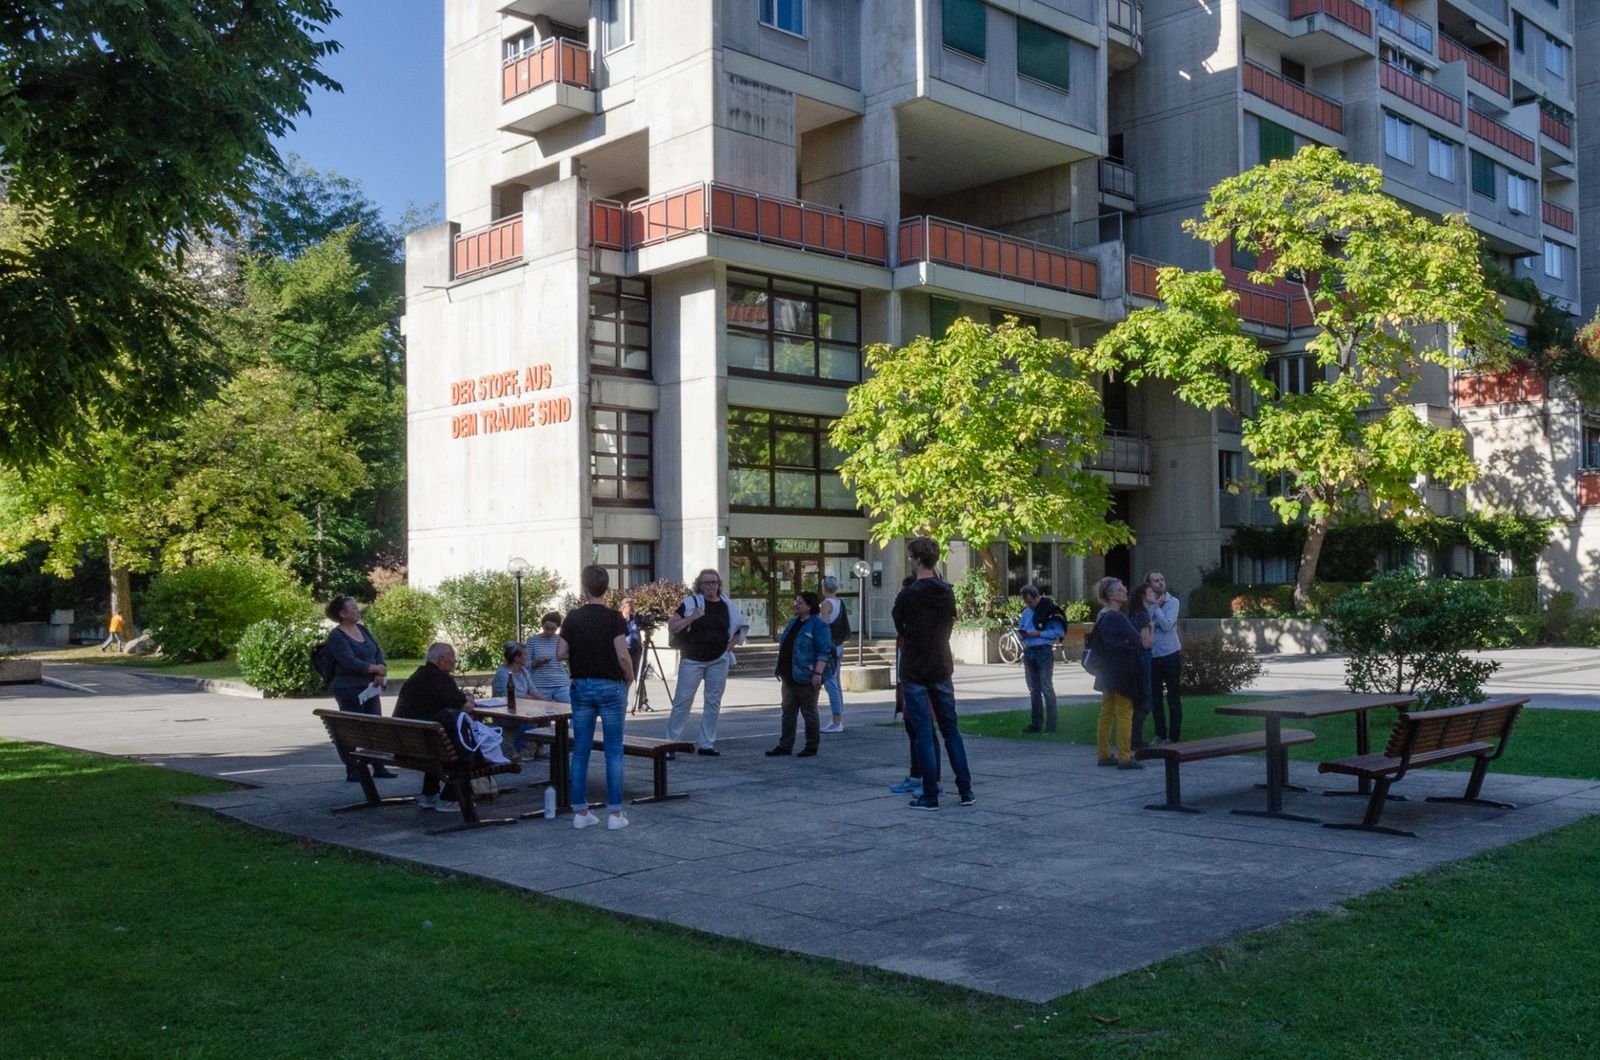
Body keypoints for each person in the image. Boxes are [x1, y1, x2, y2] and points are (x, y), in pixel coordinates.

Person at [892, 537, 973, 810]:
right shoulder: (947, 591)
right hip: (941, 664)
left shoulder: (909, 594)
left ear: (917, 560)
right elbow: (949, 624)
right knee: (951, 731)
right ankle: (966, 790)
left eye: (911, 557)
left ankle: (930, 795)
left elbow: (899, 625)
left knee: (923, 733)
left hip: (915, 667)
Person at [559, 565, 635, 831]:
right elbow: (622, 654)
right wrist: (629, 676)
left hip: (581, 685)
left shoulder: (573, 617)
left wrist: (583, 650)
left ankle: (581, 812)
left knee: (580, 750)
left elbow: (560, 652)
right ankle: (615, 814)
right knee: (613, 750)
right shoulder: (614, 618)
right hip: (610, 685)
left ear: (584, 588)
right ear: (607, 588)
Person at [664, 569, 746, 756]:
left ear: (719, 585)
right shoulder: (691, 603)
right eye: (706, 583)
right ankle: (669, 744)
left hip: (718, 659)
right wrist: (692, 617)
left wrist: (728, 649)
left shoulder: (727, 605)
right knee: (682, 701)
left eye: (713, 582)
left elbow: (738, 629)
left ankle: (706, 744)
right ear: (699, 585)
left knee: (713, 702)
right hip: (692, 659)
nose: (710, 586)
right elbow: (673, 626)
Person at [393, 641, 473, 811]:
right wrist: (469, 699)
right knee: (466, 749)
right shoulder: (441, 678)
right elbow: (466, 706)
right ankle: (450, 798)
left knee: (437, 743)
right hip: (427, 744)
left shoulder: (417, 676)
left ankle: (429, 795)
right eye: (452, 657)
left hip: (407, 744)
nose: (454, 661)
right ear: (441, 659)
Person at [324, 595, 395, 782]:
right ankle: (353, 768)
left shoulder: (362, 629)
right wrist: (373, 668)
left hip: (370, 687)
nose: (357, 610)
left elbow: (377, 651)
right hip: (349, 688)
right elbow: (348, 661)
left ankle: (378, 765)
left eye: (357, 607)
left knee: (375, 724)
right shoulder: (337, 636)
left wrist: (380, 670)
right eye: (353, 608)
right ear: (342, 614)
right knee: (353, 727)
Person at [764, 591, 832, 759]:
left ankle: (811, 746)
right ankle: (785, 745)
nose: (795, 605)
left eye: (800, 602)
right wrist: (779, 668)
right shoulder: (793, 622)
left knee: (809, 712)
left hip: (807, 675)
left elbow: (824, 651)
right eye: (796, 601)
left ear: (810, 606)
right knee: (788, 710)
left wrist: (818, 673)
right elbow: (786, 646)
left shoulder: (818, 625)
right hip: (789, 675)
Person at [1090, 577, 1143, 770]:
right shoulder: (1117, 616)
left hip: (1106, 670)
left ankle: (1103, 754)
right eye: (1120, 589)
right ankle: (1125, 757)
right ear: (1111, 596)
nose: (1125, 591)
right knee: (1124, 712)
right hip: (1121, 669)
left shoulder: (1102, 615)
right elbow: (1137, 638)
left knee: (1107, 712)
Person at [888, 576, 922, 794]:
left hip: (916, 683)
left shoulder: (917, 631)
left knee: (923, 733)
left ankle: (929, 780)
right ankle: (916, 775)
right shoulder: (905, 632)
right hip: (907, 683)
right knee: (913, 731)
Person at [1017, 585, 1066, 734]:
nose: (1029, 605)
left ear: (1037, 597)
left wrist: (1039, 634)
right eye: (1026, 602)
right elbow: (1022, 627)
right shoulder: (1026, 612)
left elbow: (1058, 632)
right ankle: (1036, 723)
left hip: (1043, 650)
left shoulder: (1049, 610)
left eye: (1031, 601)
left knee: (1046, 687)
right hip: (1029, 650)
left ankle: (1051, 725)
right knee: (1034, 689)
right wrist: (1023, 634)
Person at [1146, 570, 1184, 743]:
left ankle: (1174, 737)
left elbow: (1168, 625)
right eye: (1156, 580)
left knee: (1173, 697)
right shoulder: (1145, 603)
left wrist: (1157, 608)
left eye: (1162, 579)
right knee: (1155, 698)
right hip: (1153, 655)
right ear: (1149, 584)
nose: (1160, 582)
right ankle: (1160, 734)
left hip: (1170, 654)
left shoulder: (1172, 601)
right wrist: (1154, 607)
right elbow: (1144, 624)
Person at [492, 641, 548, 758]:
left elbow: (533, 690)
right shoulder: (502, 673)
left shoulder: (524, 671)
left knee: (546, 714)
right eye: (525, 655)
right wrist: (532, 698)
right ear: (517, 658)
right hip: (505, 713)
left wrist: (547, 702)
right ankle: (516, 752)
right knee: (528, 719)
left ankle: (540, 749)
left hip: (523, 708)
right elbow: (511, 696)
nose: (527, 657)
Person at [1128, 582, 1158, 749]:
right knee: (1145, 702)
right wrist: (1152, 628)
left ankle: (1133, 738)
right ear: (1142, 597)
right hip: (1142, 658)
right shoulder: (1143, 616)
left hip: (1135, 659)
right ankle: (1135, 740)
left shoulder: (1134, 614)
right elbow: (1146, 643)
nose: (1154, 593)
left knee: (1140, 701)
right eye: (1150, 592)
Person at [818, 576, 849, 733]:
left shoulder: (826, 604)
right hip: (838, 645)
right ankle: (838, 718)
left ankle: (836, 721)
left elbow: (823, 627)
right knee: (836, 682)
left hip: (829, 647)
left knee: (831, 682)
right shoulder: (840, 603)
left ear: (824, 587)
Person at [525, 611, 571, 704]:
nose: (549, 632)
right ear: (542, 625)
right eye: (546, 628)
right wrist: (537, 662)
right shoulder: (532, 641)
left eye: (553, 629)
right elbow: (524, 664)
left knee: (570, 706)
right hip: (540, 684)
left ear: (557, 628)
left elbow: (570, 657)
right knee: (542, 711)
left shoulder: (561, 640)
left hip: (561, 683)